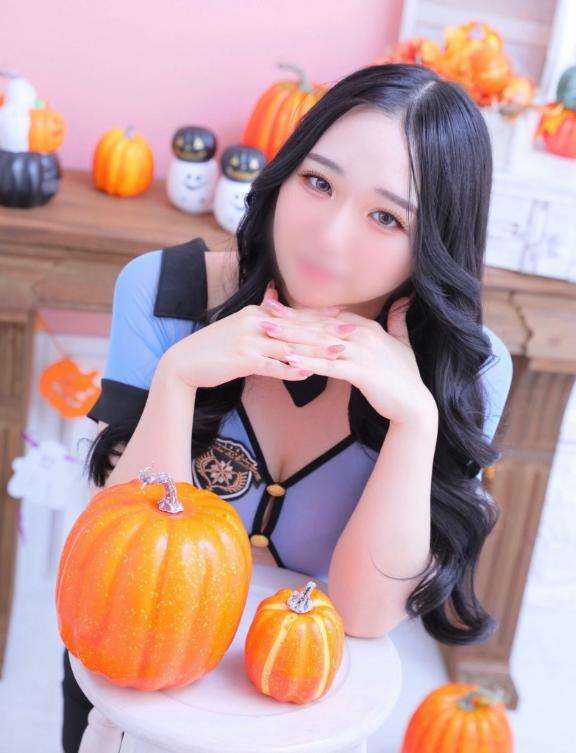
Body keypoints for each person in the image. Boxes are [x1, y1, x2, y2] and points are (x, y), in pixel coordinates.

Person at [61, 62, 513, 751]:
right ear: (284, 172)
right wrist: (179, 378)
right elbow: (117, 580)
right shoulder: (165, 293)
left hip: (298, 709)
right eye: (318, 182)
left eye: (386, 217)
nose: (327, 236)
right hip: (137, 696)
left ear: (434, 243)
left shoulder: (465, 370)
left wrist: (414, 420)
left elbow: (364, 614)